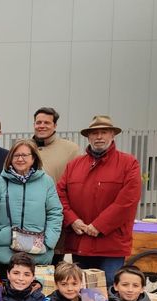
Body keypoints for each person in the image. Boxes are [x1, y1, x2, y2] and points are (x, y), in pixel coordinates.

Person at [57, 115, 142, 287]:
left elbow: (127, 201)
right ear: (88, 137)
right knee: (82, 287)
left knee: (110, 286)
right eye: (94, 133)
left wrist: (99, 225)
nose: (99, 137)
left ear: (112, 135)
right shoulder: (74, 165)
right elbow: (60, 195)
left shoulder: (129, 163)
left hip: (111, 243)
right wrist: (72, 220)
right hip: (80, 240)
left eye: (104, 132)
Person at [0, 139, 63, 270]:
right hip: (3, 253)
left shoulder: (46, 182)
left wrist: (49, 242)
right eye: (16, 155)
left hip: (38, 253)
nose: (20, 159)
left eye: (24, 155)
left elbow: (55, 213)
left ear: (33, 158)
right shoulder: (0, 182)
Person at [31, 107, 79, 182]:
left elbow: (76, 178)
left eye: (47, 123)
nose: (42, 126)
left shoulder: (71, 149)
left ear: (55, 125)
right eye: (38, 122)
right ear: (34, 125)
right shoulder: (23, 147)